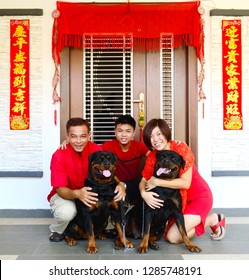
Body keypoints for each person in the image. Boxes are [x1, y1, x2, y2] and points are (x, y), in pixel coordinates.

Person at [139, 118, 226, 244]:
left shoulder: (181, 148)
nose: (156, 139)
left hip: (198, 197)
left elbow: (185, 183)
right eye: (151, 136)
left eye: (159, 134)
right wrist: (144, 193)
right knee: (170, 234)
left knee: (173, 238)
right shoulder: (153, 156)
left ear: (166, 133)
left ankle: (212, 219)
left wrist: (157, 182)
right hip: (179, 203)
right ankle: (195, 221)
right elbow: (143, 180)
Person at [47, 117, 126, 242]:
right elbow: (60, 189)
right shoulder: (59, 155)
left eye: (83, 136)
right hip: (67, 194)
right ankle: (59, 230)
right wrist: (77, 194)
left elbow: (107, 173)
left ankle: (94, 229)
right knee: (67, 212)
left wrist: (121, 184)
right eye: (73, 136)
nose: (78, 141)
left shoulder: (96, 150)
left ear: (89, 135)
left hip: (88, 194)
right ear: (67, 136)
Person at [101, 115, 150, 205]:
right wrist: (69, 144)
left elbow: (154, 156)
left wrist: (172, 144)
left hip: (133, 183)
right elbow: (92, 152)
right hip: (114, 182)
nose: (123, 135)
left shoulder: (139, 146)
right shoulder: (107, 146)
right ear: (115, 132)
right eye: (120, 131)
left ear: (133, 133)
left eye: (128, 131)